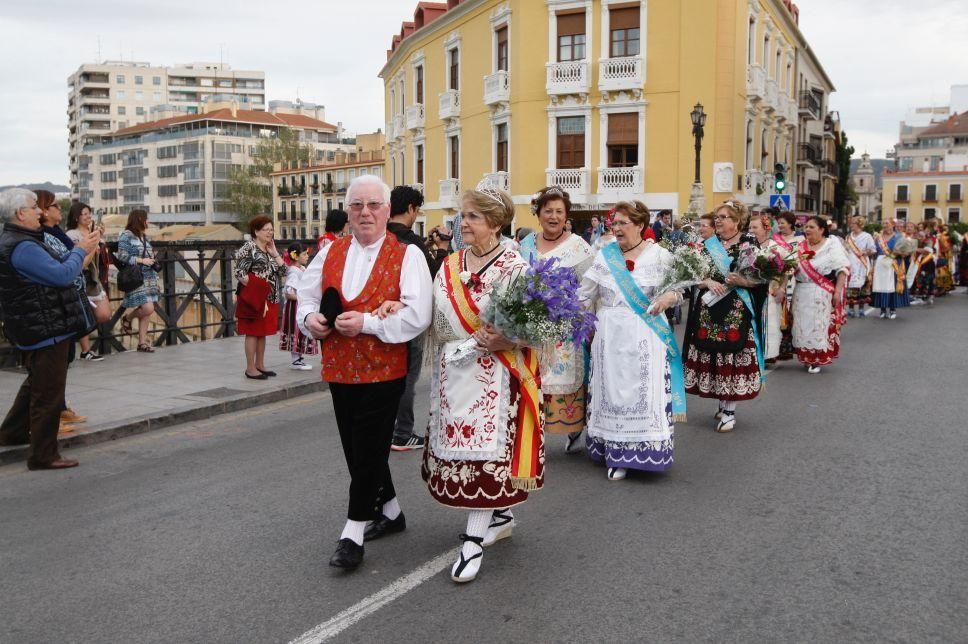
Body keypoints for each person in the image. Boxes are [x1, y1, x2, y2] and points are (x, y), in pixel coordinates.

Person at [298, 175, 432, 572]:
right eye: (357, 205)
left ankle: (352, 532)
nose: (365, 213)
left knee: (370, 445)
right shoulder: (330, 252)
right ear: (348, 211)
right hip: (339, 368)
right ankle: (390, 511)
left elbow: (417, 314)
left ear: (387, 211)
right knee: (357, 449)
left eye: (374, 205)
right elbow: (306, 292)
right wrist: (312, 319)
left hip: (384, 368)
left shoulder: (407, 255)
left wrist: (370, 323)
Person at [422, 184, 543, 583]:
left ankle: (472, 540)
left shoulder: (517, 268)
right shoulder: (451, 263)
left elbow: (539, 327)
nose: (463, 222)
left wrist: (513, 337)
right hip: (454, 373)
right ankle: (501, 516)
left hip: (497, 375)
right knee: (459, 447)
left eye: (472, 216)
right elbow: (434, 313)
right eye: (463, 215)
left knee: (485, 456)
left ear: (495, 223)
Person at [579, 200, 683, 480]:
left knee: (643, 390)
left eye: (623, 223)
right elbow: (585, 294)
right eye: (615, 223)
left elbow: (679, 289)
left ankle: (643, 450)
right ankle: (615, 453)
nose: (617, 227)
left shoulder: (660, 255)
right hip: (610, 333)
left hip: (646, 333)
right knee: (612, 390)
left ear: (640, 225)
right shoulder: (604, 255)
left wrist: (668, 297)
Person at [0, 188, 99, 470]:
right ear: (20, 213)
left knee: (37, 383)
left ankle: (11, 432)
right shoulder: (24, 247)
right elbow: (62, 275)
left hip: (36, 325)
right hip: (44, 327)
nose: (40, 212)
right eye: (35, 207)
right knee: (49, 393)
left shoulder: (15, 240)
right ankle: (43, 455)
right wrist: (81, 249)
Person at [518, 187, 594, 452]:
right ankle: (532, 432)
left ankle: (572, 428)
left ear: (566, 216)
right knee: (534, 378)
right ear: (538, 214)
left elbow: (589, 288)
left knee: (566, 379)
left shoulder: (580, 248)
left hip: (566, 327)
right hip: (533, 326)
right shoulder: (525, 245)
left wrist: (584, 320)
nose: (553, 216)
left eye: (559, 212)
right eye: (547, 211)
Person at [683, 200, 766, 433]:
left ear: (737, 221)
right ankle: (722, 400)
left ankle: (729, 410)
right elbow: (692, 275)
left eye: (723, 217)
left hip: (735, 309)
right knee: (712, 352)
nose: (717, 220)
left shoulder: (749, 246)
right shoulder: (706, 245)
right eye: (717, 217)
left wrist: (743, 281)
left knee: (731, 354)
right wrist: (706, 281)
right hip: (709, 309)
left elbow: (760, 279)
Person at [387, 185, 435, 452]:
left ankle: (385, 427)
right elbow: (428, 280)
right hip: (408, 318)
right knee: (407, 377)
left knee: (388, 377)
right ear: (410, 209)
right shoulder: (412, 242)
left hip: (380, 316)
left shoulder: (379, 237)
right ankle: (403, 432)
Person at [791, 216, 850, 374]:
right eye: (806, 227)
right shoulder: (800, 246)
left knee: (819, 326)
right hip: (801, 291)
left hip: (821, 292)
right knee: (801, 325)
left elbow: (842, 268)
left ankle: (816, 359)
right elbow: (789, 267)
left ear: (822, 229)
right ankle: (806, 356)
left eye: (811, 227)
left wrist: (838, 291)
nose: (807, 229)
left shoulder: (832, 245)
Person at [235, 215, 286, 379]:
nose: (270, 232)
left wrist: (276, 253)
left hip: (271, 297)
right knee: (252, 332)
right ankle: (250, 368)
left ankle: (260, 365)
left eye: (271, 229)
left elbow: (284, 272)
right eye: (266, 230)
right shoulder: (248, 247)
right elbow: (240, 273)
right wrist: (258, 290)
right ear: (256, 231)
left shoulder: (270, 249)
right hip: (255, 299)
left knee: (262, 332)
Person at [66, 203, 111, 360]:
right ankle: (86, 350)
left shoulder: (93, 232)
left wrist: (99, 236)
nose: (87, 216)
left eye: (89, 213)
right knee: (82, 313)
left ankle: (81, 327)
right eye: (84, 214)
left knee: (104, 314)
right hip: (81, 277)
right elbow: (79, 258)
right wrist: (93, 244)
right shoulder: (72, 234)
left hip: (95, 278)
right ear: (76, 216)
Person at [116, 209, 161, 353]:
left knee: (147, 311)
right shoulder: (126, 235)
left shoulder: (144, 236)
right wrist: (142, 260)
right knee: (148, 308)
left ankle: (142, 343)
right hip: (136, 277)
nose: (148, 221)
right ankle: (127, 318)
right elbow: (121, 256)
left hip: (149, 277)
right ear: (140, 219)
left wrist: (151, 260)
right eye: (146, 218)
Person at [279, 242, 318, 370]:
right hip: (295, 307)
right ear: (296, 256)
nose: (307, 256)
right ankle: (296, 360)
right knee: (297, 330)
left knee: (299, 330)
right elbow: (289, 293)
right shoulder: (294, 272)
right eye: (304, 254)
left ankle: (298, 358)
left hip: (298, 306)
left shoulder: (299, 269)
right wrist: (303, 297)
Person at [749, 214, 782, 363]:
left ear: (766, 229)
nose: (751, 230)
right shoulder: (747, 246)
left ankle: (767, 353)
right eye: (750, 227)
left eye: (755, 227)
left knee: (768, 322)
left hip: (768, 291)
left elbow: (786, 269)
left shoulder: (775, 248)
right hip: (749, 290)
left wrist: (781, 288)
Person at [772, 211, 802, 361]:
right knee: (778, 312)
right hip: (777, 279)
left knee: (791, 313)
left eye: (782, 222)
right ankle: (775, 348)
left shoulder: (801, 239)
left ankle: (788, 347)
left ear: (790, 223)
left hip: (795, 278)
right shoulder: (774, 239)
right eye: (778, 223)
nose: (780, 225)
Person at [871, 218, 910, 319]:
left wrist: (898, 252)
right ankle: (882, 309)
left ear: (892, 224)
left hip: (894, 263)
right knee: (880, 285)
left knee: (893, 285)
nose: (885, 225)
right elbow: (873, 251)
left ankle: (892, 309)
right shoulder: (877, 237)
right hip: (880, 264)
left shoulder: (899, 237)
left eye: (887, 223)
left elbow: (906, 253)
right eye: (883, 223)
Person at [844, 216, 876, 317]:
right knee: (851, 287)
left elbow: (873, 249)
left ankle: (861, 309)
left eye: (853, 223)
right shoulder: (849, 237)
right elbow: (846, 249)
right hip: (851, 263)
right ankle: (851, 309)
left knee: (862, 286)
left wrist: (865, 251)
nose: (851, 225)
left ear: (859, 224)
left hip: (862, 263)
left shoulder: (867, 236)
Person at [934, 223, 955, 295]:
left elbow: (948, 247)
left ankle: (944, 287)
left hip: (946, 255)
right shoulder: (939, 236)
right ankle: (940, 287)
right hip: (940, 255)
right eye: (944, 228)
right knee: (941, 271)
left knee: (945, 271)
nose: (946, 230)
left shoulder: (945, 237)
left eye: (947, 228)